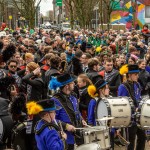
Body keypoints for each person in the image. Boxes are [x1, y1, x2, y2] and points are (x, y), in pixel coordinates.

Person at [49, 73, 86, 150]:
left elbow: (77, 111)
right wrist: (65, 126)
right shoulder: (55, 100)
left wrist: (81, 119)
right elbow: (52, 119)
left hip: (78, 135)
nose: (74, 84)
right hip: (67, 138)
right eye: (72, 83)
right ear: (67, 86)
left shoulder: (73, 97)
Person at [118, 64, 146, 150]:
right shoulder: (123, 86)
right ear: (129, 75)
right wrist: (134, 109)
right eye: (135, 74)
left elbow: (139, 97)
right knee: (131, 141)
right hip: (130, 119)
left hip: (139, 117)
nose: (138, 76)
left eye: (138, 74)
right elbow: (122, 103)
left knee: (142, 138)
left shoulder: (137, 84)